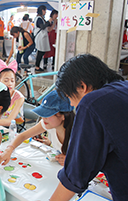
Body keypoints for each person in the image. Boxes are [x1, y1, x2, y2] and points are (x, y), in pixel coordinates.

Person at [50, 54, 128, 201]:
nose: (72, 105)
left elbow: (75, 174)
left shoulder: (92, 103)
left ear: (82, 86)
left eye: (69, 97)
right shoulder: (123, 88)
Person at [0, 90, 75, 167]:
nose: (43, 118)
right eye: (42, 113)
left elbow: (86, 162)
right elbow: (22, 136)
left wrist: (72, 160)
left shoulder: (78, 133)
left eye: (48, 114)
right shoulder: (50, 123)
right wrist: (9, 150)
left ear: (63, 116)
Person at [0, 59, 25, 127]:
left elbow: (9, 121)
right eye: (6, 81)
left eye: (12, 81)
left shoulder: (19, 98)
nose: (10, 84)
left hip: (14, 128)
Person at [34, 5, 50, 71]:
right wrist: (49, 21)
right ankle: (37, 66)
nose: (45, 12)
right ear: (42, 10)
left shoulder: (41, 18)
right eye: (45, 11)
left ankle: (37, 65)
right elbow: (42, 27)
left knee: (41, 51)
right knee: (40, 51)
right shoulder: (39, 18)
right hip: (40, 37)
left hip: (42, 37)